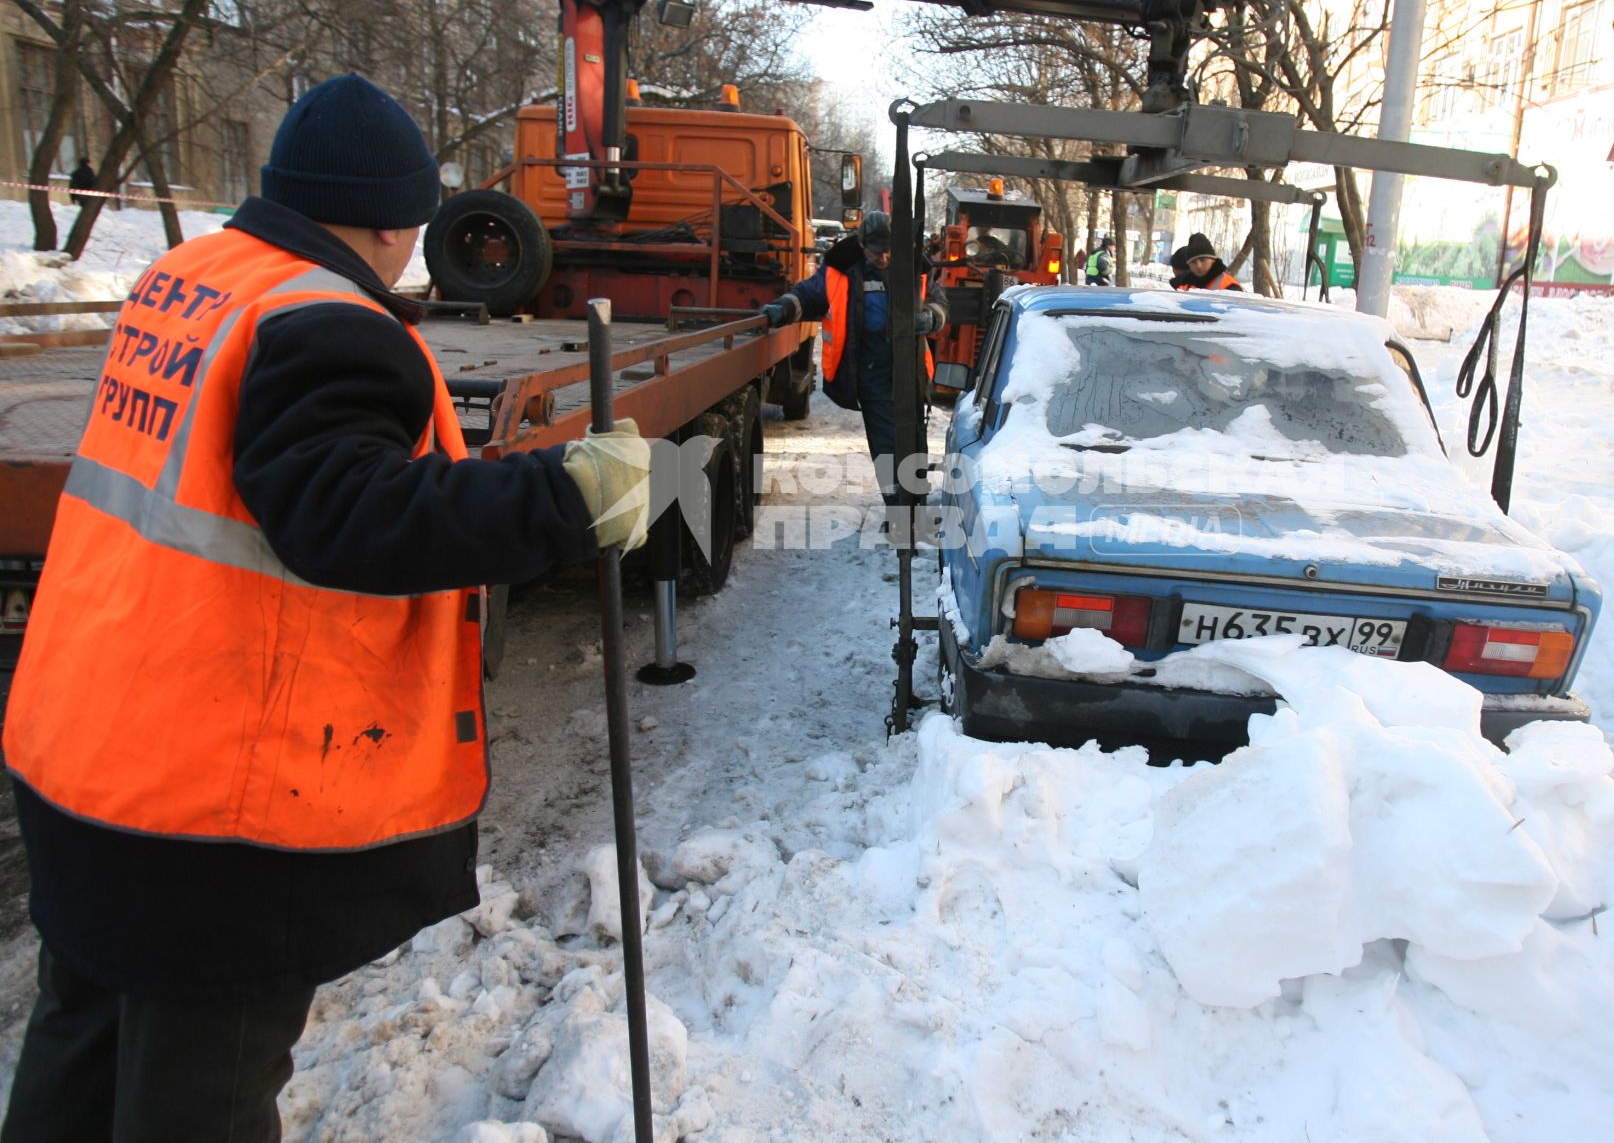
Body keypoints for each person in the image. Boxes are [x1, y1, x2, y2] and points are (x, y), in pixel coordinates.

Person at [0, 73, 651, 1142]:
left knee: (84, 1049)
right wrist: (561, 494)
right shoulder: (324, 322)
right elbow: (345, 509)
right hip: (209, 807)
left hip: (88, 752)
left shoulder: (192, 276)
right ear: (399, 220)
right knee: (195, 1093)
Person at [760, 210, 947, 498]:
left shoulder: (914, 268)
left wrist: (932, 317)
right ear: (862, 245)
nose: (883, 259)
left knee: (914, 444)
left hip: (911, 373)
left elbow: (938, 299)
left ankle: (914, 510)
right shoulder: (842, 270)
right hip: (872, 373)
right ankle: (897, 510)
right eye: (875, 254)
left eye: (887, 252)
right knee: (886, 450)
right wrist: (782, 308)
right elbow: (808, 295)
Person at [1176, 232, 1242, 292]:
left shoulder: (1231, 287)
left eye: (1202, 260)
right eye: (1193, 262)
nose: (1199, 265)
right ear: (1189, 265)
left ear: (1213, 260)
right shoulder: (1186, 285)